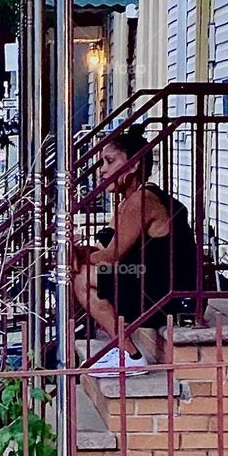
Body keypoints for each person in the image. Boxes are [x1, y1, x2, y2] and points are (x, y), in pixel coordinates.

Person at [73, 125, 198, 377]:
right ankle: (116, 344)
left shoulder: (143, 201)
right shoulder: (128, 202)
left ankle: (130, 355)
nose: (103, 171)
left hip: (171, 293)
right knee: (82, 271)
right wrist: (79, 251)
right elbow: (103, 247)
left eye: (109, 162)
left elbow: (110, 257)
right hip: (155, 281)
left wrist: (75, 255)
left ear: (132, 166)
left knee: (82, 280)